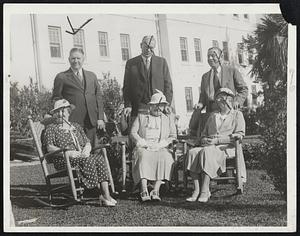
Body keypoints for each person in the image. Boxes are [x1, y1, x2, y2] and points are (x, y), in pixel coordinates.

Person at [43, 99, 117, 207]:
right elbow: (49, 147)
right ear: (54, 115)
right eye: (57, 112)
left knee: (99, 158)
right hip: (64, 159)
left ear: (68, 112)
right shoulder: (51, 129)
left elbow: (87, 141)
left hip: (81, 156)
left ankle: (106, 195)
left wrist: (87, 148)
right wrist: (69, 153)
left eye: (63, 111)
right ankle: (100, 194)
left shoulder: (76, 126)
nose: (60, 114)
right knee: (89, 160)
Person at [185, 88, 246, 203]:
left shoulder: (237, 115)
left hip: (226, 148)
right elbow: (203, 134)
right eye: (219, 99)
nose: (221, 101)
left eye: (224, 98)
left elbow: (239, 135)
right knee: (192, 153)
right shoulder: (213, 115)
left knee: (207, 152)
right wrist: (205, 140)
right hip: (209, 146)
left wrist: (216, 141)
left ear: (230, 100)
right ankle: (196, 190)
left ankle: (205, 190)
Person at [52, 48, 105, 148]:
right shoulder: (62, 77)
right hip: (73, 121)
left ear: (83, 59)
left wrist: (100, 118)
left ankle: (91, 164)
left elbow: (98, 98)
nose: (76, 61)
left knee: (92, 149)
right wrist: (63, 114)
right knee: (77, 149)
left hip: (91, 121)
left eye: (78, 58)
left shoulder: (91, 76)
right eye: (73, 58)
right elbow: (56, 98)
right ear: (69, 60)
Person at [190, 46, 248, 137]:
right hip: (212, 114)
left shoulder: (231, 71)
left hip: (228, 112)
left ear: (220, 57)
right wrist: (200, 104)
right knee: (210, 138)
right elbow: (203, 97)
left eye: (213, 56)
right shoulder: (205, 77)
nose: (210, 58)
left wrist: (237, 101)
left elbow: (243, 89)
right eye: (208, 56)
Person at [130, 90, 176, 202]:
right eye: (156, 106)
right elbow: (133, 133)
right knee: (143, 156)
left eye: (161, 106)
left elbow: (173, 135)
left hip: (160, 146)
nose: (159, 109)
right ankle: (144, 189)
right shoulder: (141, 117)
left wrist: (162, 144)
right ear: (150, 106)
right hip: (144, 146)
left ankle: (156, 190)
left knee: (165, 157)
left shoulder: (168, 119)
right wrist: (142, 143)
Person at [122, 35, 173, 123]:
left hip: (158, 108)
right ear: (141, 45)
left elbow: (168, 85)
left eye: (151, 48)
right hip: (138, 109)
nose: (148, 50)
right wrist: (128, 105)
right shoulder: (131, 63)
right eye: (146, 47)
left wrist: (167, 104)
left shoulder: (162, 62)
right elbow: (127, 87)